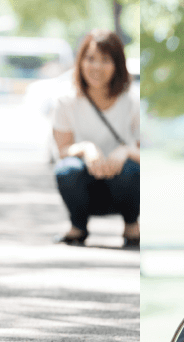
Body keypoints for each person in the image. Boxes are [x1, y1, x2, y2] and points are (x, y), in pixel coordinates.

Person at [52, 29, 141, 248]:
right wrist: (86, 148)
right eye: (90, 59)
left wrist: (125, 151)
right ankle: (77, 226)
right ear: (80, 62)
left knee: (132, 169)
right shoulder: (66, 101)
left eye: (105, 60)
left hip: (123, 187)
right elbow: (62, 150)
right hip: (84, 186)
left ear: (117, 64)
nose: (96, 67)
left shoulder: (132, 102)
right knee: (67, 169)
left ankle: (132, 226)